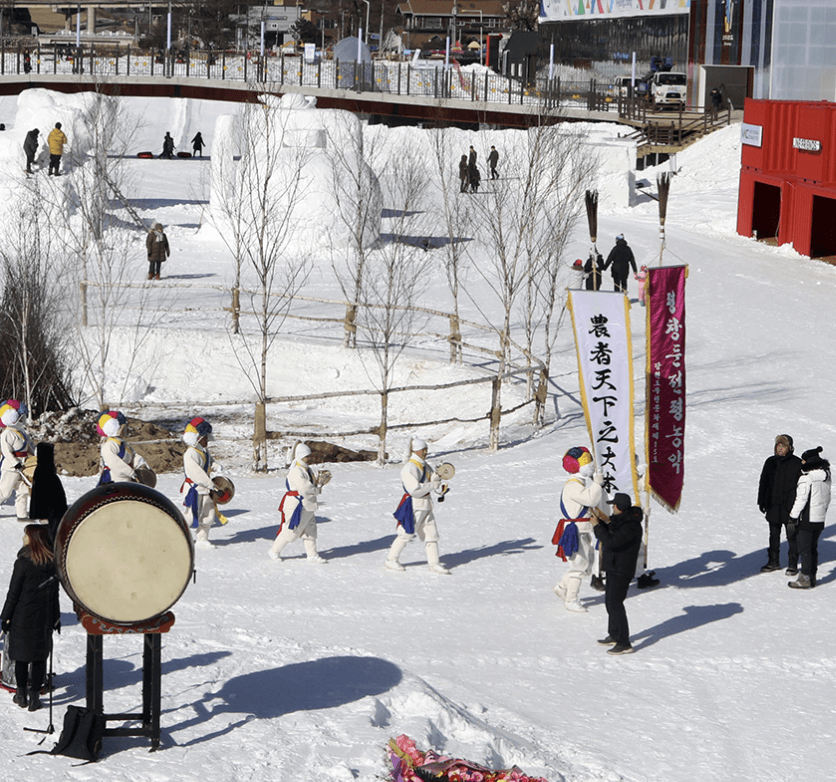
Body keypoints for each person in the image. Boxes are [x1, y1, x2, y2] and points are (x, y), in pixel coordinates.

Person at [1, 525, 60, 711]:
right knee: (39, 658)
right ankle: (34, 698)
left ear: (33, 539)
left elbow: (13, 593)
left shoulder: (23, 563)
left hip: (22, 617)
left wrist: (6, 617)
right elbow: (54, 594)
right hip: (43, 618)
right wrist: (55, 618)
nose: (23, 538)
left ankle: (21, 695)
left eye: (26, 535)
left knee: (21, 658)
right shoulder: (52, 563)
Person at [386, 437, 449, 575]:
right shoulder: (409, 467)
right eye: (423, 449)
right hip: (414, 505)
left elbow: (431, 477)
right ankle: (391, 559)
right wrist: (432, 485)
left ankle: (434, 563)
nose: (425, 452)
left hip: (426, 505)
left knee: (432, 536)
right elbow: (414, 489)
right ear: (416, 451)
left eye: (426, 449)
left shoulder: (424, 465)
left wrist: (437, 476)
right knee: (406, 534)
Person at [590, 493, 643, 655]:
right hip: (614, 567)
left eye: (614, 506)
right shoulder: (623, 519)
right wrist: (599, 519)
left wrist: (597, 527)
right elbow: (611, 527)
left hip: (622, 570)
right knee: (609, 602)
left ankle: (624, 642)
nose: (612, 508)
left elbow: (612, 541)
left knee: (616, 604)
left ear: (620, 507)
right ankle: (614, 634)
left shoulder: (631, 526)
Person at [553, 446, 604, 612]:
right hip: (575, 531)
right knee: (578, 566)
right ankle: (571, 599)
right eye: (585, 461)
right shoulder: (573, 486)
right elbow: (590, 499)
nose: (590, 464)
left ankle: (561, 587)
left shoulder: (578, 484)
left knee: (584, 563)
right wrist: (597, 484)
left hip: (582, 530)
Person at [268, 443, 326, 563]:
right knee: (291, 530)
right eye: (307, 456)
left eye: (309, 456)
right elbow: (305, 487)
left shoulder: (307, 469)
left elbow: (311, 484)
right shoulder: (296, 471)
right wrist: (316, 490)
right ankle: (274, 551)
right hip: (297, 505)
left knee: (310, 530)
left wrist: (319, 483)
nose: (309, 458)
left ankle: (312, 555)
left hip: (308, 505)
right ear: (300, 456)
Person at [757, 434, 802, 574]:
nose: (780, 449)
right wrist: (762, 501)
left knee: (792, 537)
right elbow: (763, 482)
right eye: (778, 446)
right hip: (773, 506)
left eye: (783, 446)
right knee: (773, 535)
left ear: (790, 448)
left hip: (790, 508)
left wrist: (798, 507)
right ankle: (773, 562)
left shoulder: (796, 463)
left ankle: (793, 564)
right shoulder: (770, 462)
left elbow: (803, 487)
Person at [787, 447, 831, 589]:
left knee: (804, 549)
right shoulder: (826, 476)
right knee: (813, 548)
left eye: (804, 460)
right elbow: (828, 498)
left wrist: (792, 517)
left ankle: (805, 578)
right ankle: (812, 576)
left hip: (806, 519)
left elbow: (801, 500)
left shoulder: (807, 478)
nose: (802, 462)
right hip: (819, 519)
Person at [181, 417, 218, 547]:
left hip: (206, 488)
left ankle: (202, 539)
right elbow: (196, 473)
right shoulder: (190, 454)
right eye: (205, 438)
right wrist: (210, 484)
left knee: (208, 514)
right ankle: (179, 533)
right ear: (197, 439)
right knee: (191, 515)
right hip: (195, 488)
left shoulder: (204, 451)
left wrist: (215, 466)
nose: (207, 440)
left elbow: (209, 462)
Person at [0, 400, 34, 520]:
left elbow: (28, 447)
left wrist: (33, 458)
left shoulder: (21, 432)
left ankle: (22, 515)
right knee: (5, 492)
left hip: (22, 466)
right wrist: (15, 463)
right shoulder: (7, 434)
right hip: (11, 468)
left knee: (23, 491)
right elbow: (6, 452)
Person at [28, 443, 67, 544]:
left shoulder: (43, 468)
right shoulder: (44, 470)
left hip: (50, 511)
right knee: (50, 536)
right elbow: (40, 493)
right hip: (50, 511)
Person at [97, 410, 149, 485]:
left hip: (126, 477)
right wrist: (129, 472)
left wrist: (140, 463)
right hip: (114, 478)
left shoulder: (122, 443)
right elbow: (114, 462)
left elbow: (132, 455)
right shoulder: (109, 445)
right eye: (123, 428)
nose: (125, 430)